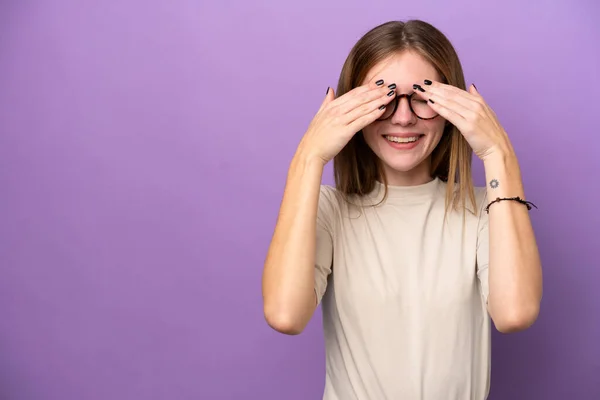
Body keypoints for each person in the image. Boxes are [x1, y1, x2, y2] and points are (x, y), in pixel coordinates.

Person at [261, 19, 542, 400]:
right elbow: (285, 315)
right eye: (383, 99)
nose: (404, 117)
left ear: (453, 106)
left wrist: (498, 152)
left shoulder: (485, 211)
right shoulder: (329, 210)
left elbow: (516, 313)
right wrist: (309, 155)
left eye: (424, 97)